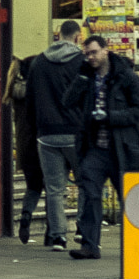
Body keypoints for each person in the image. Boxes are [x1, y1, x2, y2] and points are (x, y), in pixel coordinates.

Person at [69, 33, 139, 260]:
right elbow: (68, 101)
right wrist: (81, 79)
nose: (91, 57)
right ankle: (89, 245)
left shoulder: (126, 77)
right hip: (95, 148)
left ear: (106, 50)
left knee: (130, 199)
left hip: (122, 149)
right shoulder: (87, 76)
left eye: (94, 52)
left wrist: (109, 117)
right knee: (90, 193)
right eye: (87, 54)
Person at [26, 21, 86, 251]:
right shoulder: (81, 61)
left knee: (54, 189)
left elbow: (30, 100)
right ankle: (82, 229)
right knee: (85, 184)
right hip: (75, 133)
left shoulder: (39, 61)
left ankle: (58, 236)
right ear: (78, 37)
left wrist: (36, 130)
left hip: (47, 134)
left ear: (57, 35)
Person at [4, 50, 45, 244]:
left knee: (33, 187)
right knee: (53, 189)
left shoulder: (16, 91)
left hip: (24, 145)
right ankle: (52, 233)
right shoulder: (39, 92)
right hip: (43, 143)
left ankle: (26, 215)